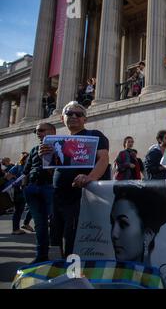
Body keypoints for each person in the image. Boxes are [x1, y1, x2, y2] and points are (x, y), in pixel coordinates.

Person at [39, 101, 110, 258]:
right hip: (58, 196)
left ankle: (74, 273)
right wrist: (46, 157)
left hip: (80, 196)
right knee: (56, 237)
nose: (73, 116)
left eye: (78, 114)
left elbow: (103, 159)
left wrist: (89, 177)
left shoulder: (95, 135)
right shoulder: (57, 142)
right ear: (62, 118)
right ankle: (60, 269)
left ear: (85, 119)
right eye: (69, 113)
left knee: (73, 237)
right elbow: (54, 171)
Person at [110, 182, 166, 266]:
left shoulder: (155, 279)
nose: (114, 234)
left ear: (148, 234)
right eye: (112, 223)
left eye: (123, 224)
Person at [23, 123, 57, 263]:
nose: (38, 133)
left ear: (53, 132)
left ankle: (58, 255)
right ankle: (41, 255)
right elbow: (26, 169)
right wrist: (24, 185)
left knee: (55, 223)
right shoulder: (34, 149)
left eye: (41, 130)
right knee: (40, 224)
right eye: (36, 131)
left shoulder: (60, 148)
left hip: (49, 188)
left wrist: (51, 155)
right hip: (32, 188)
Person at [5, 152, 33, 235]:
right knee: (20, 210)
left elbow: (8, 176)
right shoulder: (28, 166)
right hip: (23, 190)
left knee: (25, 209)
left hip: (20, 190)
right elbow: (8, 176)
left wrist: (14, 182)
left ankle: (23, 224)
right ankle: (17, 228)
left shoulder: (17, 166)